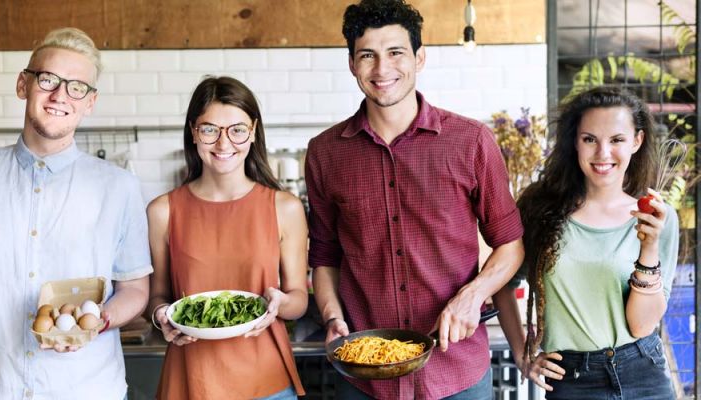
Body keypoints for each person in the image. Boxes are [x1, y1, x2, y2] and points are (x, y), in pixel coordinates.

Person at [305, 0, 525, 398]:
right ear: (352, 64)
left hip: (456, 372)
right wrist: (332, 316)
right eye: (367, 55)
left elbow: (510, 245)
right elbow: (324, 257)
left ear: (420, 58)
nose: (382, 69)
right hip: (364, 377)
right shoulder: (325, 153)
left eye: (395, 53)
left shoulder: (471, 142)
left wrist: (471, 296)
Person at [0, 28, 152, 400]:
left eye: (77, 87)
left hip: (88, 389)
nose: (61, 95)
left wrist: (96, 321)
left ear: (89, 102)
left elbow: (135, 288)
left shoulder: (119, 187)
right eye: (48, 80)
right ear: (23, 85)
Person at [508, 86, 678, 399]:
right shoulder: (539, 210)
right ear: (575, 141)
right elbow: (503, 283)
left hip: (644, 374)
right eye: (590, 139)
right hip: (572, 379)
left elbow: (641, 326)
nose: (602, 154)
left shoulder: (656, 218)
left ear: (637, 141)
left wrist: (649, 246)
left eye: (617, 140)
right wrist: (522, 356)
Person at [146, 76, 308, 400]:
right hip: (191, 381)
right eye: (209, 130)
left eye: (237, 130)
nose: (223, 144)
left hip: (267, 382)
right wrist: (160, 316)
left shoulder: (284, 207)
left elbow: (298, 299)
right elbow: (158, 296)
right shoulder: (162, 211)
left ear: (253, 132)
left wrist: (280, 304)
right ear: (194, 132)